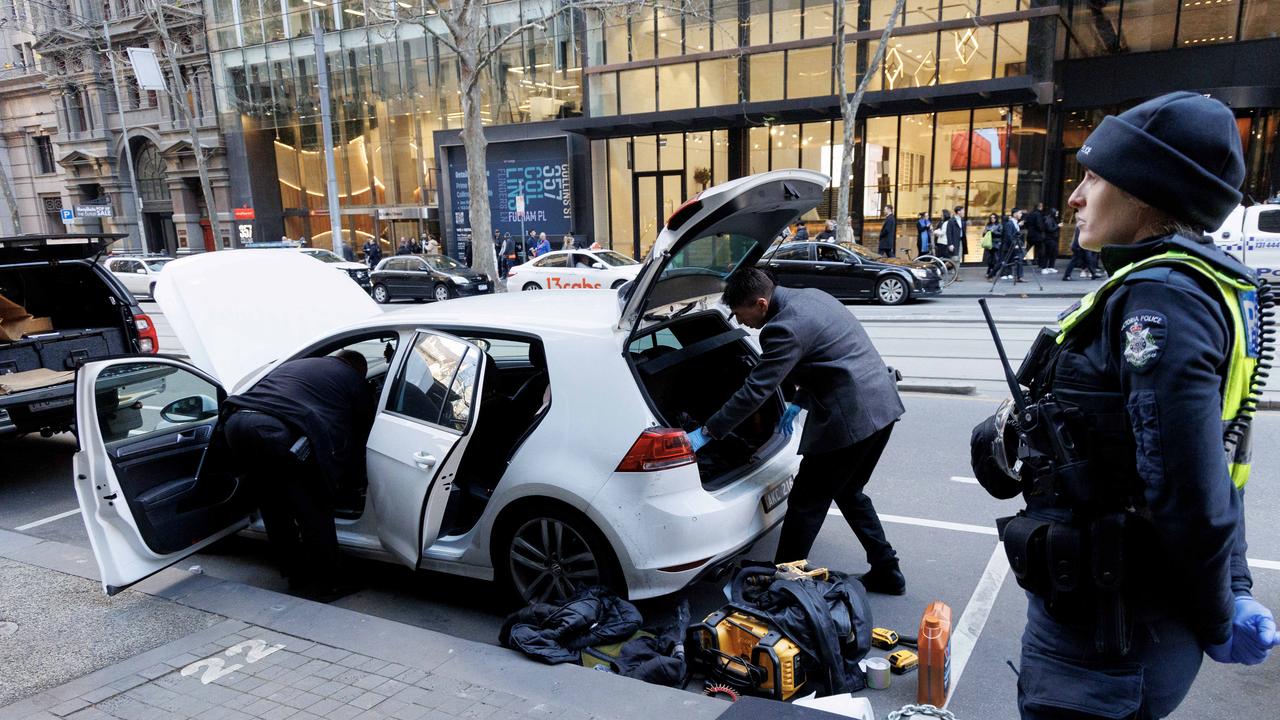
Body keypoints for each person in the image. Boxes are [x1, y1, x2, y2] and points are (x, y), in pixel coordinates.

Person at [969, 92, 1277, 719]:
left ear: (1144, 190)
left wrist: (1221, 613)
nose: (1075, 197)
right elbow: (1222, 462)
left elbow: (1190, 485)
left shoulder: (1161, 301)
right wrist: (1234, 590)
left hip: (1104, 650)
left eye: (1092, 177)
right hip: (1117, 634)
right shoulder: (1182, 286)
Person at [684, 268, 907, 594]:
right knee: (848, 491)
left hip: (851, 421)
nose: (739, 321)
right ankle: (887, 570)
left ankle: (783, 585)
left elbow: (754, 391)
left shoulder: (781, 328)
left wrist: (708, 431)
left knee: (806, 502)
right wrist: (799, 400)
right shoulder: (814, 297)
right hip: (882, 407)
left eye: (740, 313)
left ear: (761, 303)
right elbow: (830, 357)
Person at [222, 350, 375, 601]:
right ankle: (330, 584)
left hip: (236, 422)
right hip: (273, 430)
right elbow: (364, 427)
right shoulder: (353, 376)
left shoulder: (302, 364)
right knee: (313, 507)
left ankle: (295, 574)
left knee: (274, 506)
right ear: (358, 369)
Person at [998, 210, 1026, 282]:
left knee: (1018, 259)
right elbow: (1009, 235)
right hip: (1010, 245)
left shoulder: (1016, 223)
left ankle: (1018, 276)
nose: (1021, 215)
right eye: (1020, 213)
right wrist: (1015, 244)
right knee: (1006, 260)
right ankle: (1002, 274)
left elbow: (1016, 233)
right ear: (1014, 214)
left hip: (1015, 245)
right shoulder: (1010, 223)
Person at [1026, 202, 1046, 271]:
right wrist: (1042, 229)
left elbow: (1027, 223)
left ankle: (1029, 261)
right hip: (1037, 235)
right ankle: (1040, 263)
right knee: (1040, 249)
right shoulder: (1038, 214)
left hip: (1030, 234)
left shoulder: (1030, 214)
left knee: (1030, 247)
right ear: (1040, 207)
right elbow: (1039, 225)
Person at [983, 213, 1003, 279]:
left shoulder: (999, 225)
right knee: (990, 259)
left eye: (994, 217)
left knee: (996, 259)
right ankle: (989, 272)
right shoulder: (988, 225)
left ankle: (992, 273)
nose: (992, 219)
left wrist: (993, 232)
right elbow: (984, 234)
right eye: (991, 217)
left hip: (996, 243)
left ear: (996, 218)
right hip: (989, 243)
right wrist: (986, 232)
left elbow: (1001, 234)